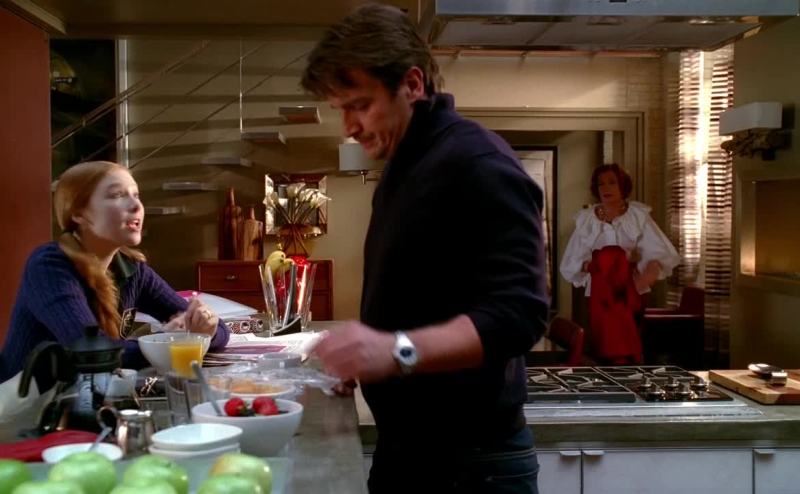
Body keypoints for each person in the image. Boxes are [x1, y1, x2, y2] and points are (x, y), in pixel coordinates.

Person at [302, 5, 548, 494]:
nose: (349, 126)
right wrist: (364, 357)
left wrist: (394, 351)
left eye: (360, 104)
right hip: (410, 453)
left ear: (412, 84)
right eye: (340, 109)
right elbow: (419, 297)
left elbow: (518, 315)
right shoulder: (404, 167)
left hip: (471, 466)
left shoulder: (477, 162)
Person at [0, 161, 229, 382]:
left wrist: (205, 328)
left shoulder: (132, 269)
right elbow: (91, 353)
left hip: (85, 399)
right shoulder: (49, 266)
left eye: (136, 195)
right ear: (78, 213)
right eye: (117, 195)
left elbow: (221, 332)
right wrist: (168, 341)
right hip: (27, 405)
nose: (136, 206)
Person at [560, 163, 680, 364]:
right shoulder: (588, 219)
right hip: (599, 293)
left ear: (622, 186)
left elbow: (659, 254)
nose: (605, 188)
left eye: (612, 182)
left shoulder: (637, 216)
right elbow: (572, 261)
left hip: (629, 291)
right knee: (599, 352)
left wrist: (643, 277)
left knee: (629, 352)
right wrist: (596, 265)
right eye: (601, 184)